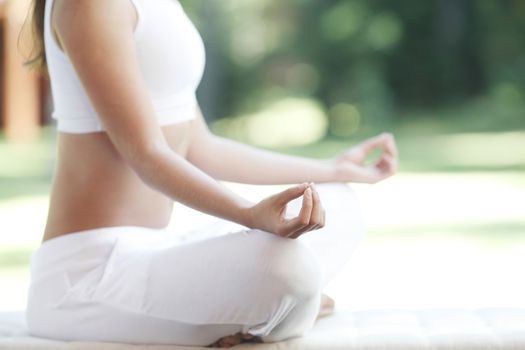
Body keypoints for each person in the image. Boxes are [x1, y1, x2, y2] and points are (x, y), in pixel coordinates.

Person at [24, 0, 398, 347]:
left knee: (338, 201)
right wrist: (249, 215)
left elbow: (202, 148)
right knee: (287, 268)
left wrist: (333, 169)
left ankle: (268, 312)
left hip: (157, 252)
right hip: (86, 277)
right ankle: (278, 310)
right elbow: (147, 155)